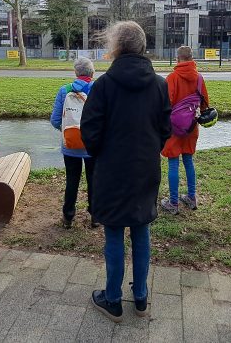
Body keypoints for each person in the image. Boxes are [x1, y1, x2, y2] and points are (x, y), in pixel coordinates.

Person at [81, 21, 171, 322]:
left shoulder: (103, 85)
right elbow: (165, 128)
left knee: (114, 232)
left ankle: (113, 299)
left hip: (112, 170)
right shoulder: (160, 85)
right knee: (142, 229)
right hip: (145, 168)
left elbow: (89, 131)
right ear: (142, 46)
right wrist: (149, 150)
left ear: (117, 47)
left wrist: (104, 155)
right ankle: (141, 297)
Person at [160, 45, 210, 215]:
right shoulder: (199, 78)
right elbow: (204, 104)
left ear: (177, 59)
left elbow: (165, 104)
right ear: (192, 58)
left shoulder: (172, 78)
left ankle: (173, 202)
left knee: (173, 162)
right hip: (191, 127)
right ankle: (191, 197)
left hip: (173, 128)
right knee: (188, 160)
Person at [50, 57, 98, 229]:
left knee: (72, 180)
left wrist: (68, 131)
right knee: (94, 179)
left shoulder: (65, 90)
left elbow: (55, 120)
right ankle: (95, 216)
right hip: (93, 145)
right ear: (92, 72)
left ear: (76, 72)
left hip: (70, 145)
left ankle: (68, 216)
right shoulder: (98, 89)